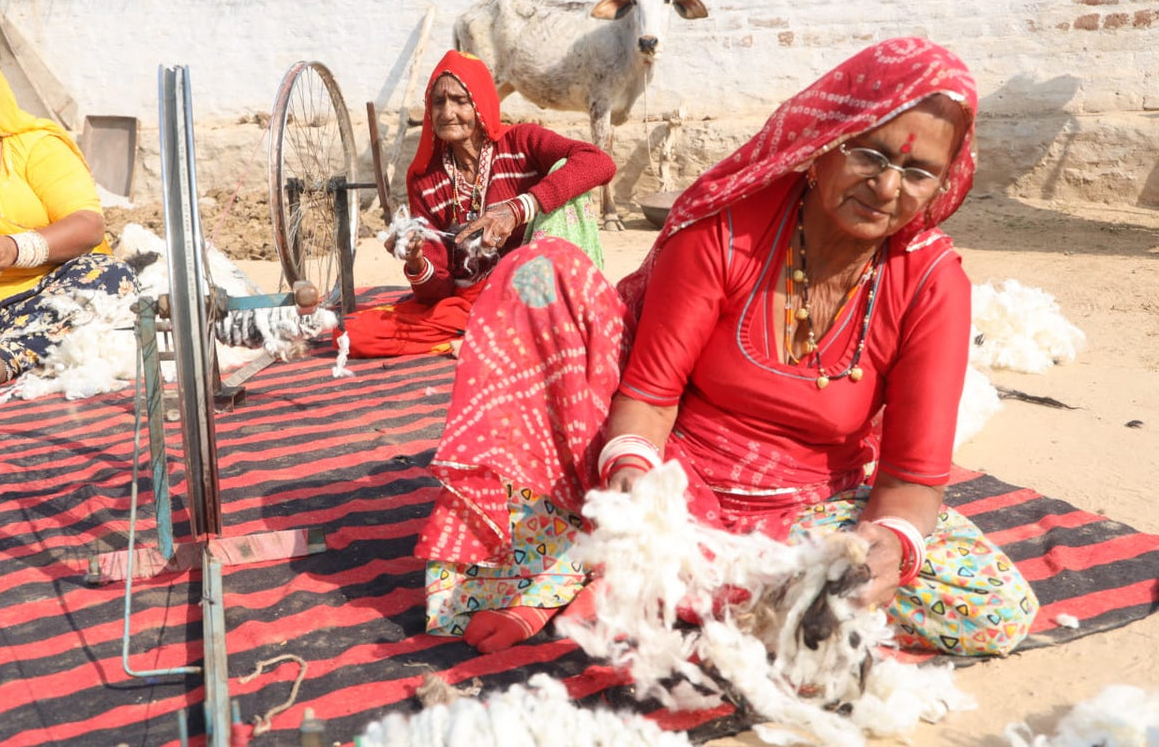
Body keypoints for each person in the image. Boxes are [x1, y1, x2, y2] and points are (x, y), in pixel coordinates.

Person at [413, 37, 1039, 655]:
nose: (886, 187)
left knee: (993, 604)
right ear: (823, 148)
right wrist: (637, 493)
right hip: (675, 477)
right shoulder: (726, 227)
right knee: (537, 273)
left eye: (918, 171)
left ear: (942, 183)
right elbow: (649, 401)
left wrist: (889, 546)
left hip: (812, 511)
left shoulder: (933, 282)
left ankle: (626, 576)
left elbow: (909, 479)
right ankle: (648, 568)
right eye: (869, 155)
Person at [334, 50, 615, 357]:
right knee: (353, 336)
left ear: (481, 104)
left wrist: (518, 208)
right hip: (477, 301)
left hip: (537, 287)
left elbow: (598, 162)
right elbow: (437, 292)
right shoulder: (427, 180)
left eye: (459, 100)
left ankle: (535, 322)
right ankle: (507, 335)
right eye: (438, 102)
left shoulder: (522, 143)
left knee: (566, 172)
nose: (447, 112)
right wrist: (416, 262)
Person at [0, 40, 136, 399]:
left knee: (107, 275)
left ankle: (2, 360)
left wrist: (14, 248)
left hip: (38, 301)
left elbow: (87, 226)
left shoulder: (35, 146)